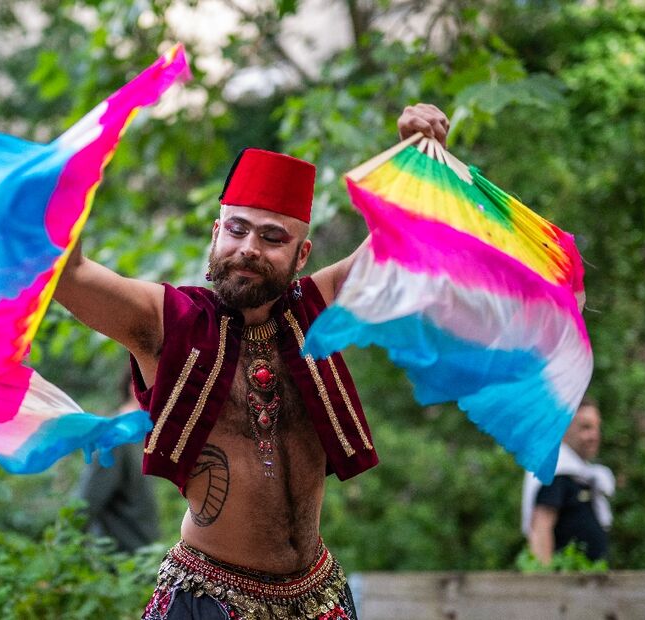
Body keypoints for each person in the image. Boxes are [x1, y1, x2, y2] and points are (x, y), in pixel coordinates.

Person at [53, 104, 449, 619]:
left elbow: (402, 241)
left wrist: (420, 155)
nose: (248, 248)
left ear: (301, 255)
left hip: (318, 596)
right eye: (237, 229)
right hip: (212, 598)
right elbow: (69, 272)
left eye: (271, 237)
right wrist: (66, 174)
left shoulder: (318, 310)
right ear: (216, 232)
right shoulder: (167, 321)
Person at [522, 397, 615, 565]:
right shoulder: (555, 472)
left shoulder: (582, 475)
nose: (594, 435)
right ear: (564, 429)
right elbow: (541, 529)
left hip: (590, 583)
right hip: (567, 583)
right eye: (585, 427)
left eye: (596, 427)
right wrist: (546, 583)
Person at [76, 373, 160, 554]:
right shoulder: (115, 437)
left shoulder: (142, 435)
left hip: (144, 559)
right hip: (119, 565)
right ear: (135, 387)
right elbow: (86, 503)